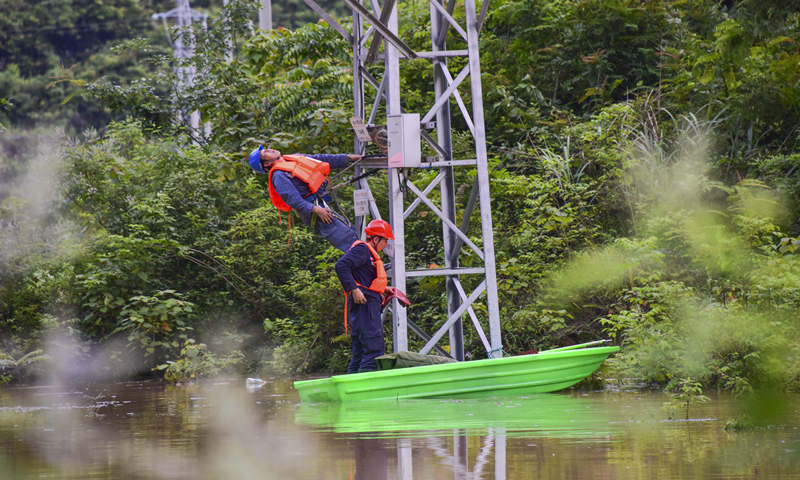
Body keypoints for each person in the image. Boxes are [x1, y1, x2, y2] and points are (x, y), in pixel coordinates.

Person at [248, 146, 360, 252]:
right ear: (267, 163)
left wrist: (348, 157)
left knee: (355, 235)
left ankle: (366, 262)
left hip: (321, 206)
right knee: (350, 242)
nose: (268, 149)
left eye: (266, 149)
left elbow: (321, 159)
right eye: (264, 153)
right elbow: (293, 200)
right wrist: (316, 210)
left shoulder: (294, 158)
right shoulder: (279, 176)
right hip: (315, 212)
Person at [335, 219, 397, 373]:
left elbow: (365, 280)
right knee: (373, 350)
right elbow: (341, 265)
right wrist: (354, 289)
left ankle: (351, 385)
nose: (385, 245)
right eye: (385, 241)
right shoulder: (363, 250)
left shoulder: (368, 255)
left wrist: (384, 288)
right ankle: (367, 386)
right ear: (376, 239)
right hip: (366, 306)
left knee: (360, 353)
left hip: (365, 307)